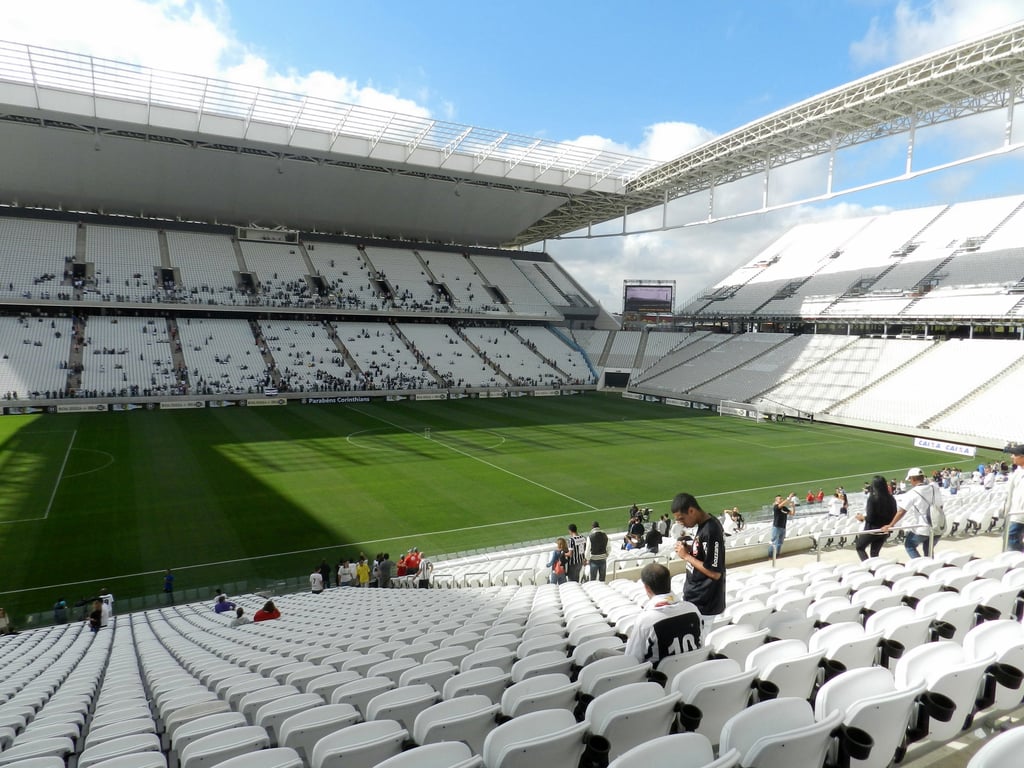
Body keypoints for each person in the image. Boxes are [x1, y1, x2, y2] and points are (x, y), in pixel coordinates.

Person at [624, 563, 702, 665]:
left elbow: (632, 660)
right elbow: (701, 645)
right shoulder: (693, 609)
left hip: (658, 678)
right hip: (692, 670)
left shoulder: (645, 620)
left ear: (647, 588)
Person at [671, 492, 726, 634]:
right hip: (696, 599)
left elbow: (715, 573)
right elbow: (705, 554)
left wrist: (686, 556)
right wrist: (691, 549)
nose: (681, 523)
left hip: (704, 604)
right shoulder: (704, 526)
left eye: (681, 518)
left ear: (691, 510)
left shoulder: (711, 530)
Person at [884, 468, 942, 558]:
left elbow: (901, 511)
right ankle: (930, 566)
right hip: (938, 526)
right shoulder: (934, 488)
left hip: (923, 527)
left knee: (909, 545)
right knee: (929, 550)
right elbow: (940, 505)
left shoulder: (912, 493)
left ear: (913, 479)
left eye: (910, 479)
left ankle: (919, 565)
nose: (910, 481)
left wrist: (891, 525)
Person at [855, 475, 897, 560]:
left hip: (873, 530)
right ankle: (875, 567)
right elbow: (894, 513)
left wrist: (862, 518)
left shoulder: (872, 499)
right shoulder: (891, 498)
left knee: (859, 547)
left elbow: (871, 518)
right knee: (874, 553)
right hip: (885, 530)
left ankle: (868, 567)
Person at [1003, 443, 1024, 551]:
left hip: (1018, 515)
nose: (1012, 456)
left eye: (1015, 454)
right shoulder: (1019, 470)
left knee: (1011, 541)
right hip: (1014, 514)